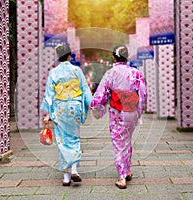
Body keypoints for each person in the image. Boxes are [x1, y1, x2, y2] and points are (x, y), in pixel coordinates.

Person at [90, 45, 147, 189]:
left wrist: (96, 107)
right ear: (126, 57)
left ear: (114, 57)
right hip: (131, 111)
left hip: (117, 112)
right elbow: (143, 94)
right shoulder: (135, 73)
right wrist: (139, 111)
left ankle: (122, 177)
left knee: (119, 143)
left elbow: (101, 93)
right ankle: (127, 171)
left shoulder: (111, 73)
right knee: (126, 140)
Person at [40, 44, 92, 186]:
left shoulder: (54, 73)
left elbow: (50, 95)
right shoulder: (77, 71)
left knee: (62, 140)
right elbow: (85, 89)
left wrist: (48, 114)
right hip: (74, 107)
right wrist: (92, 104)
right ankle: (74, 169)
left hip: (60, 107)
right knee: (74, 138)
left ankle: (66, 177)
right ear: (70, 55)